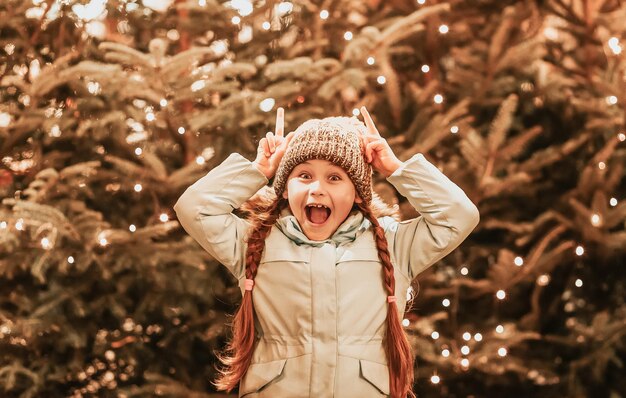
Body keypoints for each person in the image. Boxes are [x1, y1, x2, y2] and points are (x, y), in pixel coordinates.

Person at [173, 106, 480, 398]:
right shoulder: (256, 243)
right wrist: (258, 170)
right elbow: (194, 209)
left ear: (358, 193)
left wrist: (397, 170)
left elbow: (459, 216)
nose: (317, 188)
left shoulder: (393, 244)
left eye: (334, 178)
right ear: (284, 188)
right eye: (304, 176)